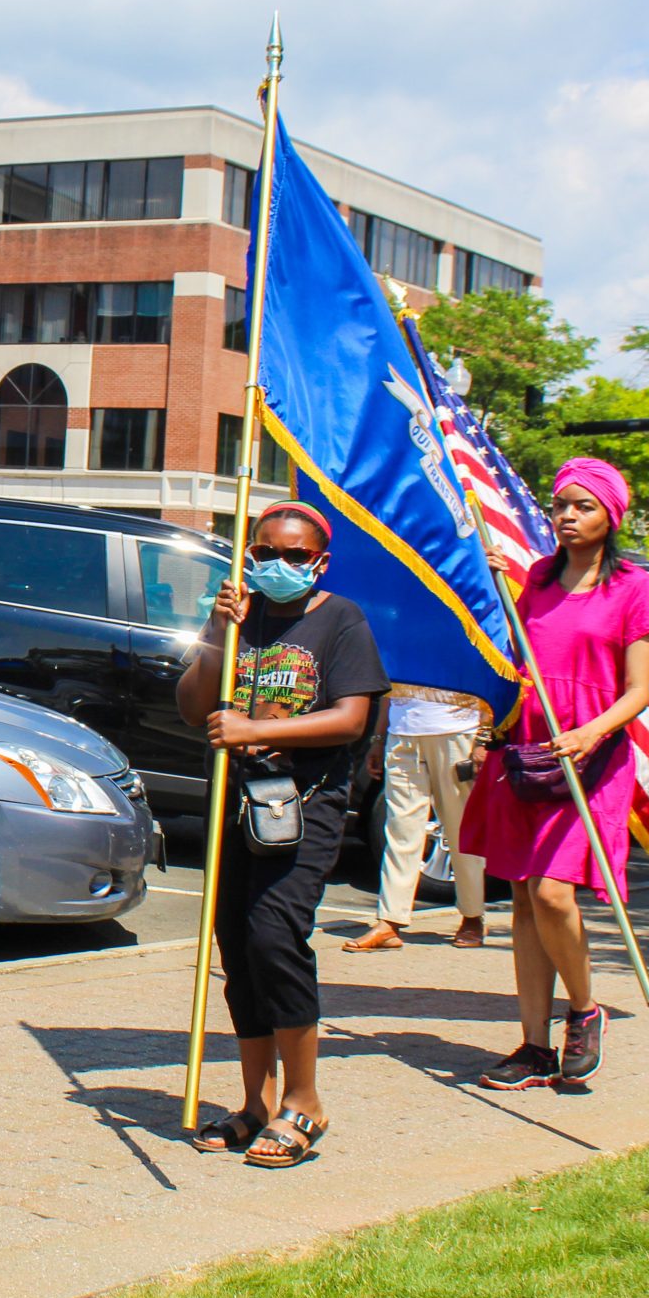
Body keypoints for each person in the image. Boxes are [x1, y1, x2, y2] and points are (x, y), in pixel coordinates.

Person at [177, 501, 386, 1169]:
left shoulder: (341, 621)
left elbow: (352, 718)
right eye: (266, 551)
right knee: (236, 945)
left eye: (294, 556)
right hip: (234, 806)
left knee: (275, 935)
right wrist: (216, 629)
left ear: (319, 561)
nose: (279, 564)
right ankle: (254, 1102)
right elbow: (193, 705)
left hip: (304, 805)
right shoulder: (244, 619)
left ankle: (305, 1100)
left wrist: (258, 730)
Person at [462, 459, 649, 1090]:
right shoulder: (536, 583)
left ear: (611, 516)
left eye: (584, 506)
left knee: (553, 891)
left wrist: (591, 731)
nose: (568, 516)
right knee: (523, 895)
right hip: (527, 752)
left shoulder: (635, 588)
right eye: (561, 506)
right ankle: (532, 1045)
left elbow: (638, 692)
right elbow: (517, 666)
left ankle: (583, 1009)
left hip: (593, 754)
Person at [344, 691, 489, 953]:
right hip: (403, 732)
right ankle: (389, 921)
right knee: (400, 830)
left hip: (458, 730)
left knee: (461, 830)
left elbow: (488, 677)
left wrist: (483, 739)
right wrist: (378, 738)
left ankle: (472, 915)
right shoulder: (402, 647)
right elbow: (391, 684)